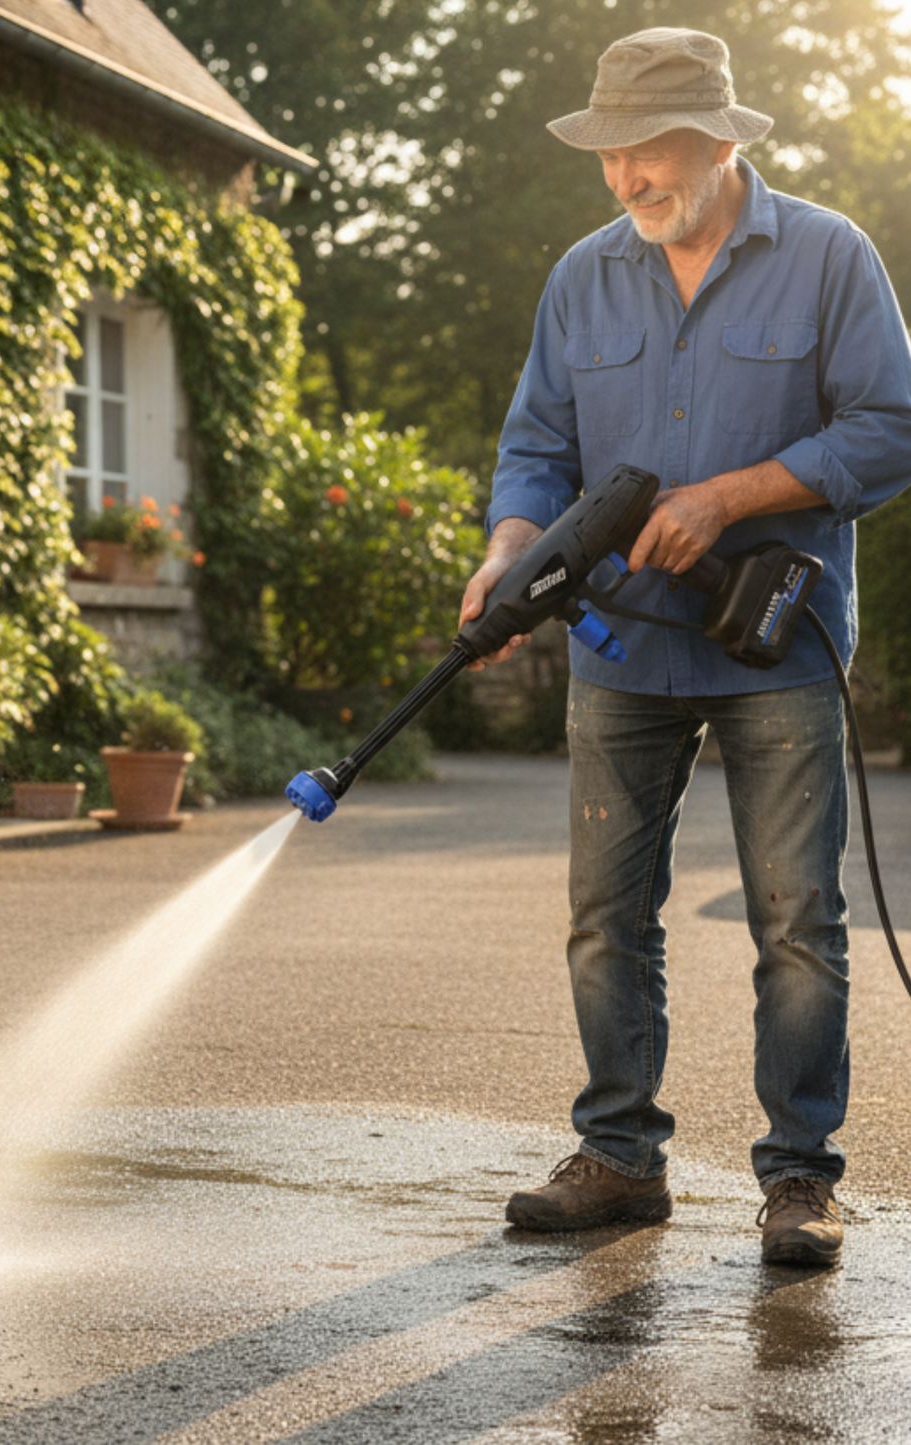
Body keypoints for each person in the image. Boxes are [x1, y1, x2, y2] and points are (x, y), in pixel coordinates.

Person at [460, 27, 911, 1266]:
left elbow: (888, 427)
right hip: (617, 652)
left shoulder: (827, 257)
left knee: (794, 918)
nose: (621, 180)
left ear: (717, 141)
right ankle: (617, 1158)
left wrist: (731, 495)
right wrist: (506, 551)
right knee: (606, 914)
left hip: (780, 647)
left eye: (642, 152)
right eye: (605, 156)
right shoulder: (581, 276)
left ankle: (798, 1181)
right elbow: (535, 449)